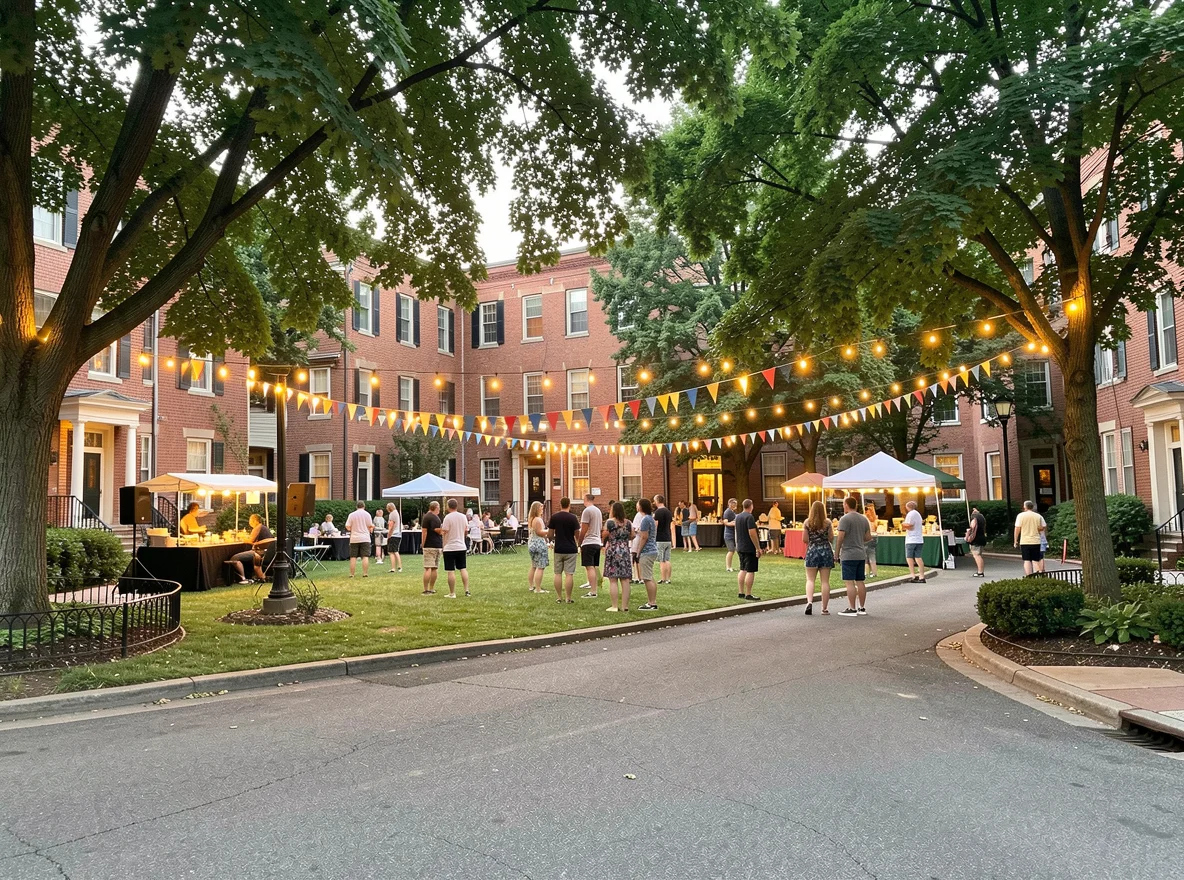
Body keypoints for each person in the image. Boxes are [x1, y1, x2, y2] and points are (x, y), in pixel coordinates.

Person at [834, 496, 871, 617]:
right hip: (860, 553)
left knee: (849, 581)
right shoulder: (864, 519)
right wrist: (858, 539)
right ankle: (862, 607)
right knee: (860, 581)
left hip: (848, 553)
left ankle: (852, 607)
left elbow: (840, 537)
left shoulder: (844, 519)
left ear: (846, 505)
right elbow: (868, 537)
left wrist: (836, 553)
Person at [803, 501, 834, 615]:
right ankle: (824, 608)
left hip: (812, 551)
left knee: (810, 579)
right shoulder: (828, 523)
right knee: (825, 581)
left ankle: (809, 602)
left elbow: (805, 539)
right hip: (825, 551)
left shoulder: (807, 523)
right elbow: (831, 538)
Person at [601, 501, 634, 612]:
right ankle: (625, 606)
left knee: (613, 580)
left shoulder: (610, 522)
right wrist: (624, 539)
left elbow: (604, 534)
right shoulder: (628, 522)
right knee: (625, 580)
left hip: (613, 550)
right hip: (624, 550)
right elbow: (632, 535)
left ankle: (614, 606)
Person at [548, 497, 581, 603]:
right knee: (569, 574)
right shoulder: (573, 518)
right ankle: (568, 598)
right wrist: (578, 544)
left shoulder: (554, 517)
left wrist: (552, 540)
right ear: (569, 505)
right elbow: (577, 534)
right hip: (571, 548)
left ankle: (558, 597)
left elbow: (550, 534)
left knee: (557, 573)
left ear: (560, 504)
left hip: (558, 548)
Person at [227, 514, 273, 583]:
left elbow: (251, 541)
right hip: (266, 552)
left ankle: (243, 578)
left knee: (235, 558)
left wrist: (243, 538)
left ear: (255, 520)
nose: (249, 522)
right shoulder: (264, 527)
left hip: (258, 552)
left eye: (250, 520)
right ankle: (252, 576)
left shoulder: (257, 528)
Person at [440, 498, 470, 598]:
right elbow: (466, 531)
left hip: (450, 547)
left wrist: (443, 546)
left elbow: (444, 532)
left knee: (450, 570)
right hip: (461, 546)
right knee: (463, 568)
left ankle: (452, 593)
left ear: (448, 506)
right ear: (456, 506)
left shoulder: (447, 518)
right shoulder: (463, 517)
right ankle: (466, 590)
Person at [734, 499, 762, 601]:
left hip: (740, 546)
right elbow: (752, 533)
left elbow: (736, 532)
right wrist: (758, 548)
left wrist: (737, 544)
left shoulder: (738, 517)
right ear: (751, 506)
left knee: (742, 569)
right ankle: (748, 593)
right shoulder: (749, 517)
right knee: (750, 570)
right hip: (749, 547)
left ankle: (740, 592)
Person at [635, 497, 660, 610]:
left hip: (647, 550)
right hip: (653, 549)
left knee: (647, 578)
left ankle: (651, 603)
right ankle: (652, 601)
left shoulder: (645, 519)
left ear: (641, 507)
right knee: (649, 576)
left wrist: (638, 552)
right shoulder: (650, 518)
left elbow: (644, 537)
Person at [578, 493, 603, 598]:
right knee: (593, 566)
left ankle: (593, 591)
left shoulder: (587, 511)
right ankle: (594, 587)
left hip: (589, 541)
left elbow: (584, 528)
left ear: (586, 499)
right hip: (597, 541)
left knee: (589, 567)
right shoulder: (598, 511)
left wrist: (579, 542)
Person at [1014, 500, 1047, 576]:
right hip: (1036, 541)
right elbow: (1043, 526)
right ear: (1032, 507)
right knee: (1035, 560)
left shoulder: (1020, 516)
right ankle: (1039, 572)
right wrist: (1037, 529)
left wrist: (1015, 540)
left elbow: (1017, 528)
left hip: (1025, 541)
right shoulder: (1038, 516)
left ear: (1024, 507)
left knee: (1027, 560)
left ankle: (1029, 576)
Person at [345, 501, 374, 578]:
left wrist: (352, 529)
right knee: (365, 556)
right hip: (365, 538)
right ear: (364, 506)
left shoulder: (351, 515)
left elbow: (347, 526)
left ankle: (352, 574)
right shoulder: (367, 514)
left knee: (353, 556)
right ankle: (365, 573)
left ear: (356, 506)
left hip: (354, 538)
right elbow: (370, 526)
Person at [526, 501, 550, 593]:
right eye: (541, 507)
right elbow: (540, 532)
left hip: (532, 543)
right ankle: (538, 588)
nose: (542, 509)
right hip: (539, 544)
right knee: (540, 566)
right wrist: (549, 531)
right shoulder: (538, 519)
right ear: (537, 509)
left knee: (533, 566)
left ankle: (531, 586)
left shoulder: (531, 519)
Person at [420, 501, 443, 594]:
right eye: (439, 508)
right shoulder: (437, 518)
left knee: (428, 568)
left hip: (429, 545)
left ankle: (426, 589)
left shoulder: (426, 517)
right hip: (438, 545)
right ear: (436, 508)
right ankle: (432, 588)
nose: (439, 510)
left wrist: (423, 544)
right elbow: (438, 530)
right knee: (434, 568)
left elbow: (424, 532)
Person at [902, 500, 926, 583]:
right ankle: (922, 576)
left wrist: (903, 524)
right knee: (918, 557)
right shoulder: (918, 514)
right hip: (919, 539)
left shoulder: (910, 514)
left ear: (908, 507)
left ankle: (913, 575)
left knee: (909, 557)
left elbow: (909, 525)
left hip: (911, 539)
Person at [652, 495, 673, 585]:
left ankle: (663, 578)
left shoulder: (658, 512)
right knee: (667, 559)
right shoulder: (668, 512)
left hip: (660, 539)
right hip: (668, 538)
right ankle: (668, 578)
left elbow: (655, 525)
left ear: (657, 501)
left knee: (661, 560)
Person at [966, 505, 988, 577]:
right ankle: (981, 571)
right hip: (982, 538)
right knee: (979, 555)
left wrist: (968, 533)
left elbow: (972, 528)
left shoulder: (975, 520)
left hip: (976, 540)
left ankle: (980, 572)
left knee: (976, 555)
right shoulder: (982, 520)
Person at [722, 498, 739, 572]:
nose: (735, 505)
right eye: (733, 503)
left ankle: (731, 566)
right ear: (730, 504)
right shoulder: (727, 512)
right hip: (728, 534)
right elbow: (725, 522)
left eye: (735, 503)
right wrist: (733, 523)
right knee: (731, 550)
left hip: (733, 534)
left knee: (734, 550)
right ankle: (728, 567)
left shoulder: (733, 512)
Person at [630, 505, 646, 585]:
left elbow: (635, 528)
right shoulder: (647, 515)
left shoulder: (639, 515)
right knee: (637, 558)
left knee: (636, 557)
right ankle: (639, 577)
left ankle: (638, 577)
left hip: (637, 539)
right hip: (642, 538)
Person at [385, 503, 403, 573]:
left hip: (393, 534)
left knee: (392, 552)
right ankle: (399, 566)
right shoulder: (397, 513)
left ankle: (394, 567)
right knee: (395, 551)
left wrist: (389, 534)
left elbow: (391, 525)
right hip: (398, 534)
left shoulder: (392, 514)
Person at [864, 504, 879, 579]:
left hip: (868, 536)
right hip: (874, 536)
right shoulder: (874, 518)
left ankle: (866, 572)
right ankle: (874, 572)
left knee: (865, 556)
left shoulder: (864, 518)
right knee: (872, 555)